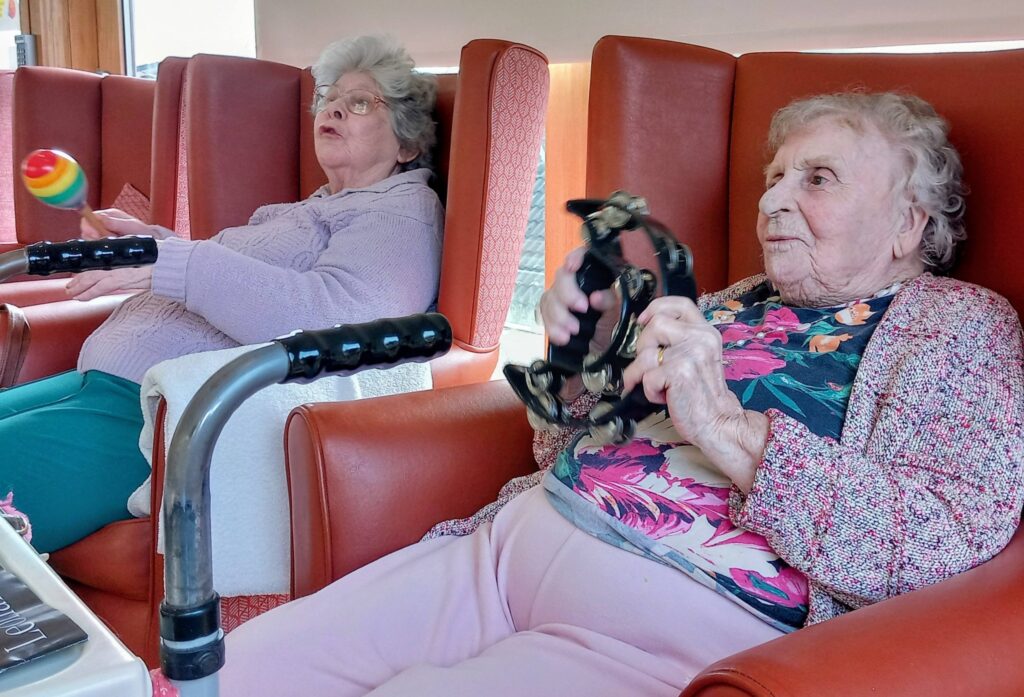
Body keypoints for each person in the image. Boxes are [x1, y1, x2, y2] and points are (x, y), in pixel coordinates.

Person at [220, 92, 1024, 696]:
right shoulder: (734, 301)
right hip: (498, 553)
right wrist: (579, 361)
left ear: (909, 225)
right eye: (775, 178)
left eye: (817, 179)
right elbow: (563, 443)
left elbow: (946, 534)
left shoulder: (958, 327)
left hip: (656, 628)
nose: (773, 200)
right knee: (230, 673)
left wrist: (732, 431)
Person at [0, 35, 444, 554]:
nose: (336, 108)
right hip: (104, 387)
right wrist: (150, 246)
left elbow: (335, 322)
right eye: (330, 98)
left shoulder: (399, 215)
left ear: (408, 144)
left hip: (158, 423)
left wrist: (174, 263)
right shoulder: (303, 210)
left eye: (362, 101)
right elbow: (217, 274)